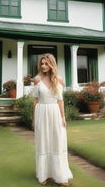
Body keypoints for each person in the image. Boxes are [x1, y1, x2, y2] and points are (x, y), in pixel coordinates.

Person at [32, 53, 73, 186]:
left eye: (46, 63)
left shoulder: (59, 80)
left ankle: (60, 176)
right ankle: (43, 174)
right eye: (42, 64)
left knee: (57, 142)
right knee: (43, 142)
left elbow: (60, 101)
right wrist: (34, 119)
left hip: (55, 112)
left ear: (52, 64)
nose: (43, 66)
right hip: (41, 112)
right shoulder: (37, 79)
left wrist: (63, 117)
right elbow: (35, 101)